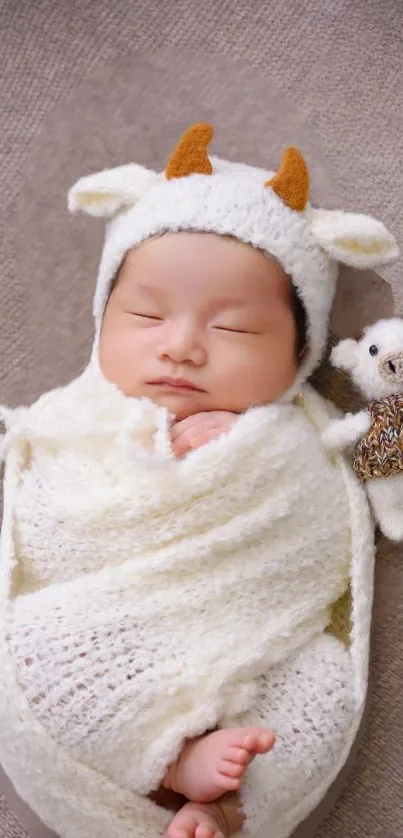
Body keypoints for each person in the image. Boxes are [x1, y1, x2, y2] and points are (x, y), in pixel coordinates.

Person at [0, 123, 398, 838]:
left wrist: (244, 459)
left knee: (323, 689)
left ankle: (222, 805)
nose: (180, 346)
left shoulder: (298, 439)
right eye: (146, 315)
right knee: (32, 644)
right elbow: (51, 534)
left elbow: (315, 542)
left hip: (257, 648)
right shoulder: (69, 421)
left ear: (300, 353)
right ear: (104, 319)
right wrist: (150, 466)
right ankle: (171, 761)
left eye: (236, 330)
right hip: (113, 632)